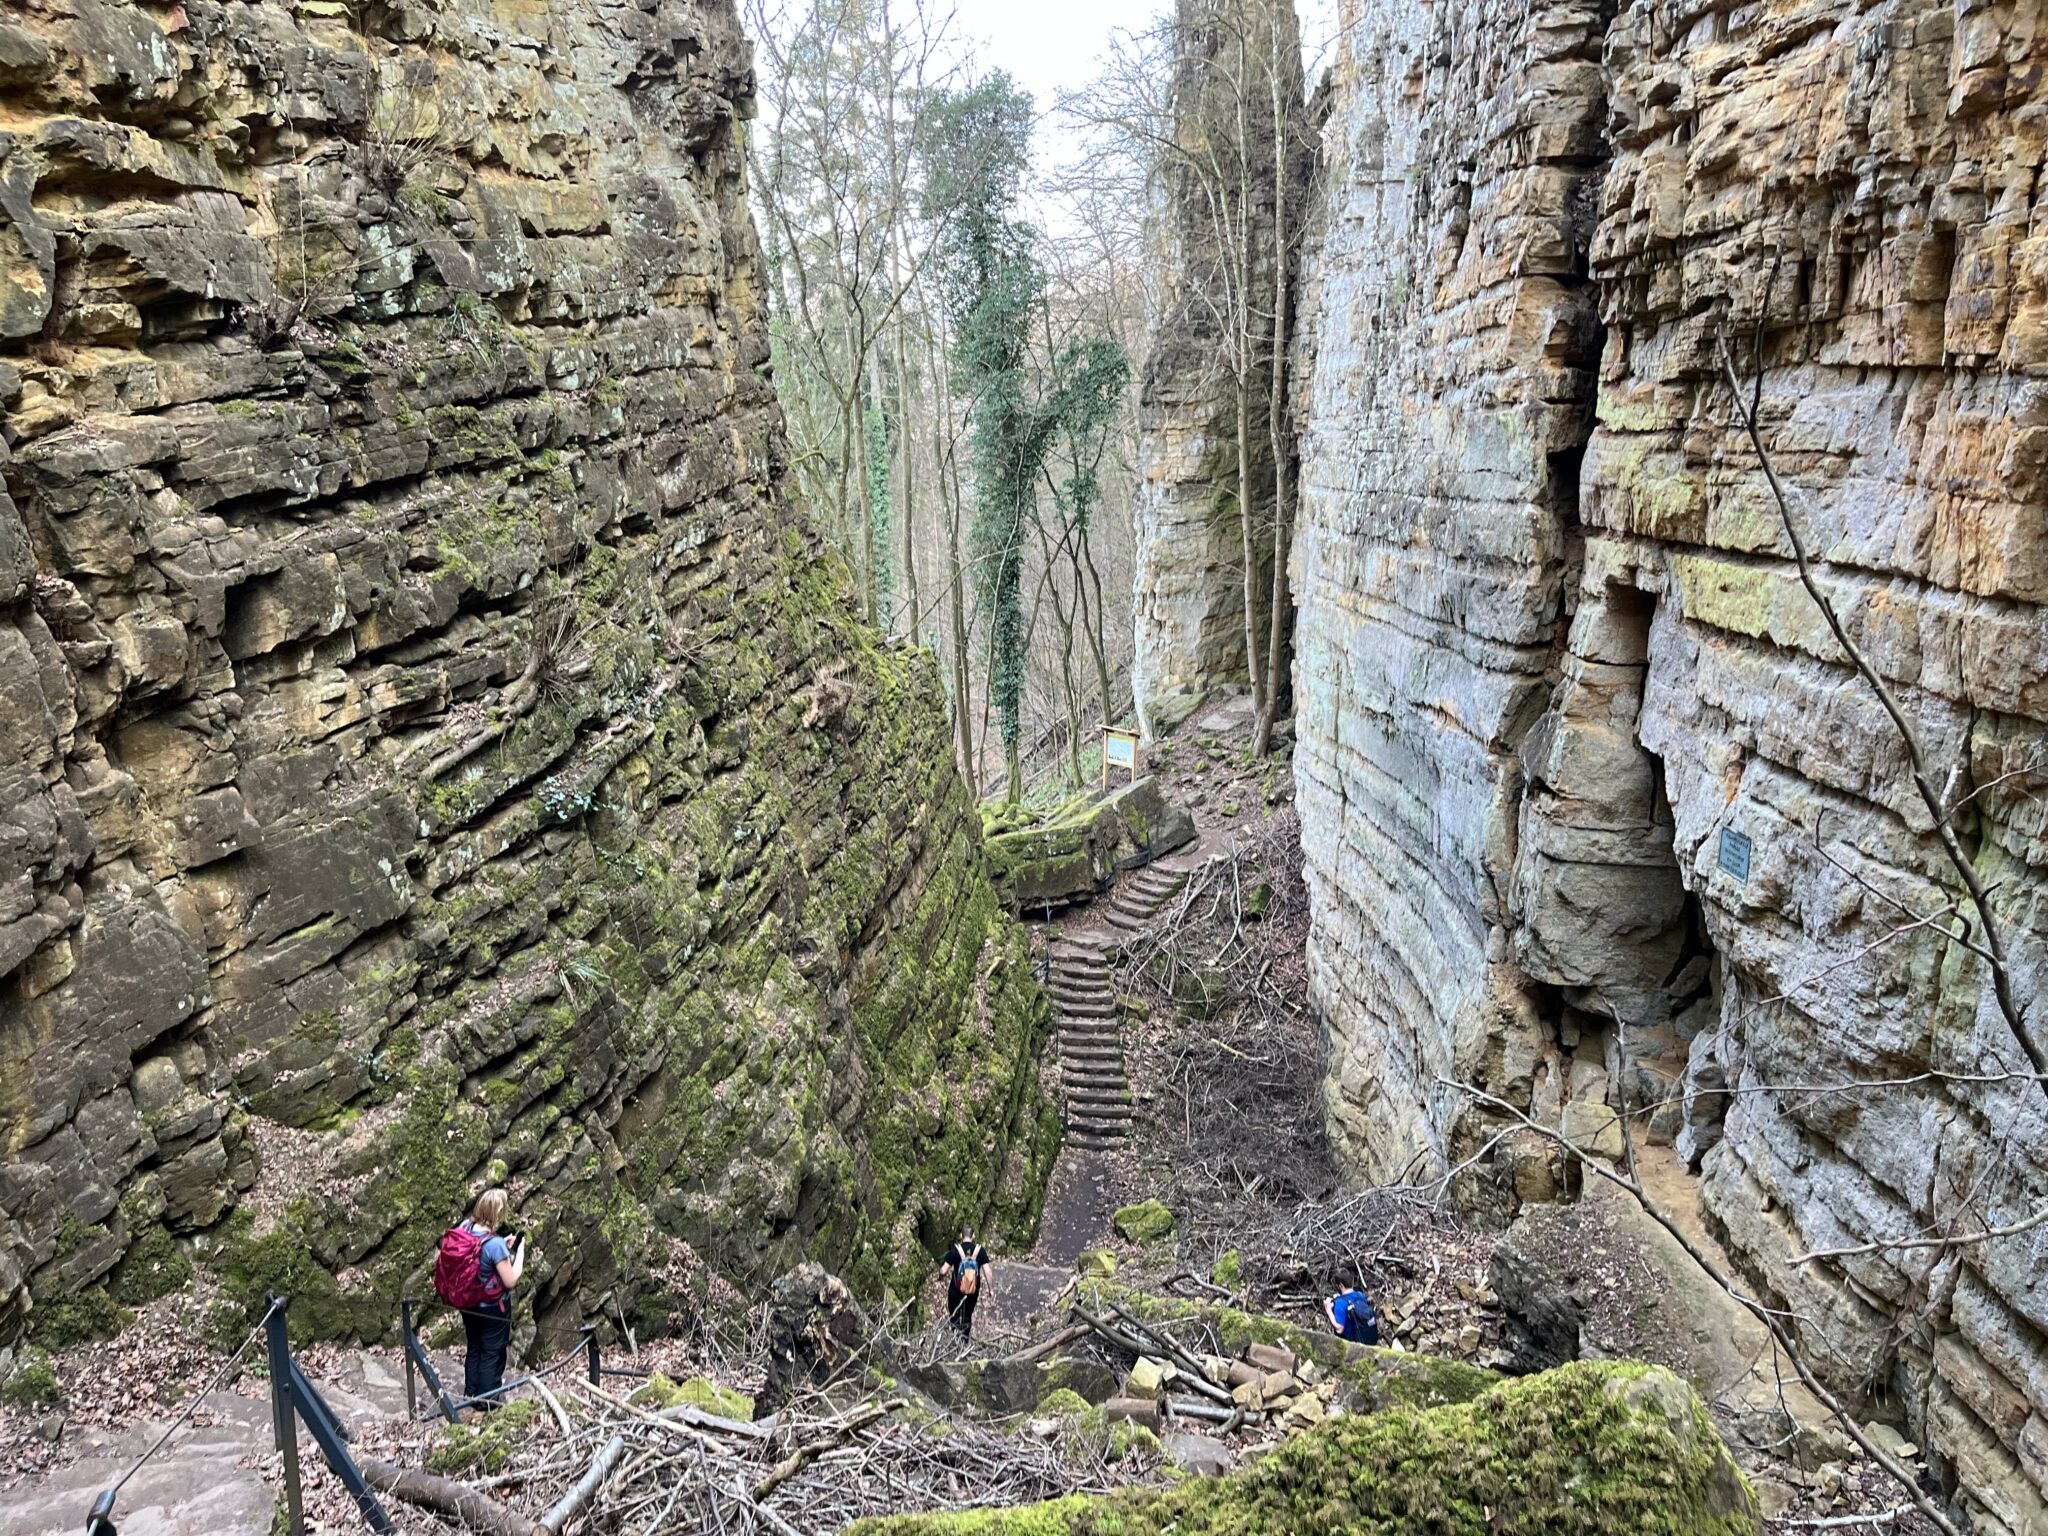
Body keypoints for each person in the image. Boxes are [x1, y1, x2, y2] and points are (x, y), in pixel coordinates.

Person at [435, 1188, 528, 1406]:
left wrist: (502, 1247)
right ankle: (487, 1403)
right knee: (492, 1353)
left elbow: (477, 1256)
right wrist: (519, 1251)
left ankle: (471, 1394)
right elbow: (511, 1280)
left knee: (475, 1346)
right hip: (491, 1309)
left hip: (468, 1304)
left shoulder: (464, 1228)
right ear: (498, 1213)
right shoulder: (493, 1244)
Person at [940, 1225, 991, 1342]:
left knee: (954, 1316)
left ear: (961, 1236)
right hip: (972, 1291)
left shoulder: (955, 1251)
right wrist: (990, 1289)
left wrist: (940, 1278)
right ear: (973, 1236)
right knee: (967, 1317)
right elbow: (988, 1272)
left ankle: (954, 1342)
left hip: (955, 1291)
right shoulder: (980, 1251)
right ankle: (965, 1341)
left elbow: (943, 1270)